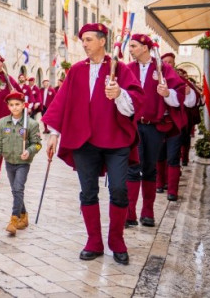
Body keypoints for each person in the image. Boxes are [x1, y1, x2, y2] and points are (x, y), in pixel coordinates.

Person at [42, 23, 144, 266]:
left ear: (101, 41)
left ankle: (117, 241)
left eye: (89, 39)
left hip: (115, 139)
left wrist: (119, 94)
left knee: (119, 189)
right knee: (88, 191)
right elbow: (62, 102)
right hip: (84, 141)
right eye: (83, 40)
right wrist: (54, 133)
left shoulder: (119, 69)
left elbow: (136, 101)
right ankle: (94, 241)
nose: (85, 44)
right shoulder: (76, 70)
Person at [125, 35, 186, 226]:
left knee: (149, 169)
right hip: (133, 126)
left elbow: (179, 94)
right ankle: (129, 213)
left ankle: (148, 212)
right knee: (132, 168)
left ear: (145, 48)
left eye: (133, 46)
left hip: (154, 127)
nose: (130, 49)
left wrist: (167, 93)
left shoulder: (163, 68)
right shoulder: (128, 69)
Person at [0, 91, 41, 236]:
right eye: (11, 105)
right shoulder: (2, 123)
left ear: (23, 105)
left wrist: (29, 151)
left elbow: (38, 144)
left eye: (17, 104)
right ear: (8, 106)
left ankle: (14, 220)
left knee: (18, 189)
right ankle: (24, 216)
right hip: (9, 162)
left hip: (23, 163)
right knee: (15, 190)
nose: (15, 107)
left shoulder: (31, 124)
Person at [159, 52, 198, 195]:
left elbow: (192, 102)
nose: (167, 64)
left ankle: (172, 190)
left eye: (170, 62)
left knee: (173, 156)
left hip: (175, 124)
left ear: (174, 64)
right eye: (165, 62)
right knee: (159, 155)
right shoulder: (154, 78)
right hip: (158, 124)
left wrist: (188, 93)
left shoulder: (181, 80)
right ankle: (159, 183)